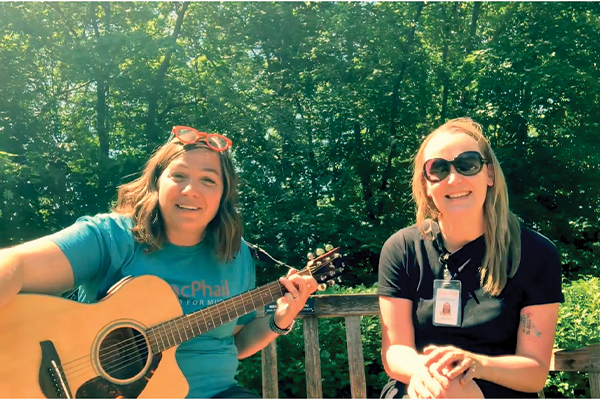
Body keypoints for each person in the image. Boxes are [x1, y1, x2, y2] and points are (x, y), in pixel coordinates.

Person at [0, 125, 318, 398]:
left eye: (208, 180)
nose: (191, 190)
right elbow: (15, 264)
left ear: (224, 195)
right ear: (156, 182)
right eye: (179, 175)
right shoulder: (110, 237)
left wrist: (281, 318)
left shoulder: (237, 256)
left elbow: (235, 341)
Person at [378, 118, 563, 399]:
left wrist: (476, 365)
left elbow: (535, 371)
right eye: (438, 169)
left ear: (489, 174)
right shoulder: (402, 249)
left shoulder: (535, 253)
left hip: (499, 387)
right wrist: (424, 372)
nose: (454, 178)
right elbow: (395, 349)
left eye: (467, 164)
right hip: (417, 385)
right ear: (427, 185)